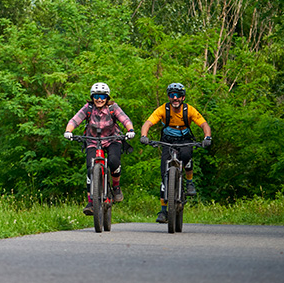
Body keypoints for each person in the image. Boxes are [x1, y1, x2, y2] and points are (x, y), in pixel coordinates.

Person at [139, 82, 212, 223]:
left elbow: (204, 124)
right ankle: (163, 210)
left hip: (185, 140)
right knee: (164, 173)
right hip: (168, 142)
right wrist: (144, 136)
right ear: (169, 97)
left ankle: (189, 182)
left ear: (183, 97)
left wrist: (207, 137)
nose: (175, 98)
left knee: (186, 156)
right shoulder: (163, 109)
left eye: (178, 96)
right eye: (172, 95)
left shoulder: (189, 110)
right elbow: (148, 123)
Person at [64, 82, 135, 216]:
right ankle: (91, 202)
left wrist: (130, 130)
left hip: (112, 139)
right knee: (90, 168)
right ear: (92, 97)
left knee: (114, 161)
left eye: (102, 96)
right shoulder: (88, 108)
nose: (99, 99)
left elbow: (125, 119)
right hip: (93, 140)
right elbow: (75, 120)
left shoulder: (113, 108)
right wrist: (68, 131)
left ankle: (116, 186)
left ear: (107, 98)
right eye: (96, 96)